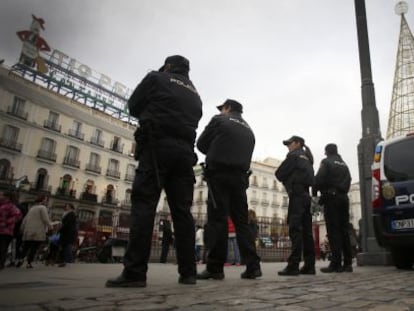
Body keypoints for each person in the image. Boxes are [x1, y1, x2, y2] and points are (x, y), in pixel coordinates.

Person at [106, 55, 202, 287]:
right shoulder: (195, 94)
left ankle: (134, 272)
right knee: (182, 213)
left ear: (168, 66)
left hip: (156, 147)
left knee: (144, 206)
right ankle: (188, 273)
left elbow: (133, 106)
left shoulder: (157, 78)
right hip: (184, 154)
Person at [196, 99, 262, 280]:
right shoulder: (249, 130)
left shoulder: (219, 120)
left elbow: (201, 144)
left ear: (228, 108)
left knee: (218, 220)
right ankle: (253, 266)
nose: (221, 111)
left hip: (219, 175)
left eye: (222, 108)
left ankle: (215, 268)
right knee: (242, 223)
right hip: (240, 178)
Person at [275, 135, 315, 276]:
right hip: (306, 196)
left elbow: (278, 173)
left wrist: (289, 179)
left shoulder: (294, 156)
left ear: (297, 143)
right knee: (307, 233)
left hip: (297, 196)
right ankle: (310, 265)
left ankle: (293, 265)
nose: (288, 146)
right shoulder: (308, 159)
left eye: (290, 143)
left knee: (295, 230)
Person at [314, 143, 352, 273]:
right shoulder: (344, 164)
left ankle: (335, 263)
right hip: (344, 198)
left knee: (333, 231)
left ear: (326, 152)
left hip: (332, 199)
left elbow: (319, 179)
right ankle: (348, 263)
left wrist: (315, 190)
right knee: (344, 230)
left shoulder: (326, 162)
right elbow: (349, 180)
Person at [16, 195, 52, 268]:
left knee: (26, 247)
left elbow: (25, 220)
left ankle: (21, 259)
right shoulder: (42, 208)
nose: (47, 202)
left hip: (28, 230)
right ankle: (29, 263)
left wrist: (22, 228)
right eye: (46, 200)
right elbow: (45, 219)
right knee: (34, 247)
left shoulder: (32, 208)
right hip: (37, 231)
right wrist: (50, 226)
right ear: (43, 201)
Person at [0, 191, 22, 270]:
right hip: (3, 230)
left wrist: (6, 223)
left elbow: (18, 216)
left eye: (1, 195)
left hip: (6, 231)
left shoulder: (11, 206)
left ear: (7, 197)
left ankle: (1, 263)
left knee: (2, 248)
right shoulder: (2, 205)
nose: (0, 196)